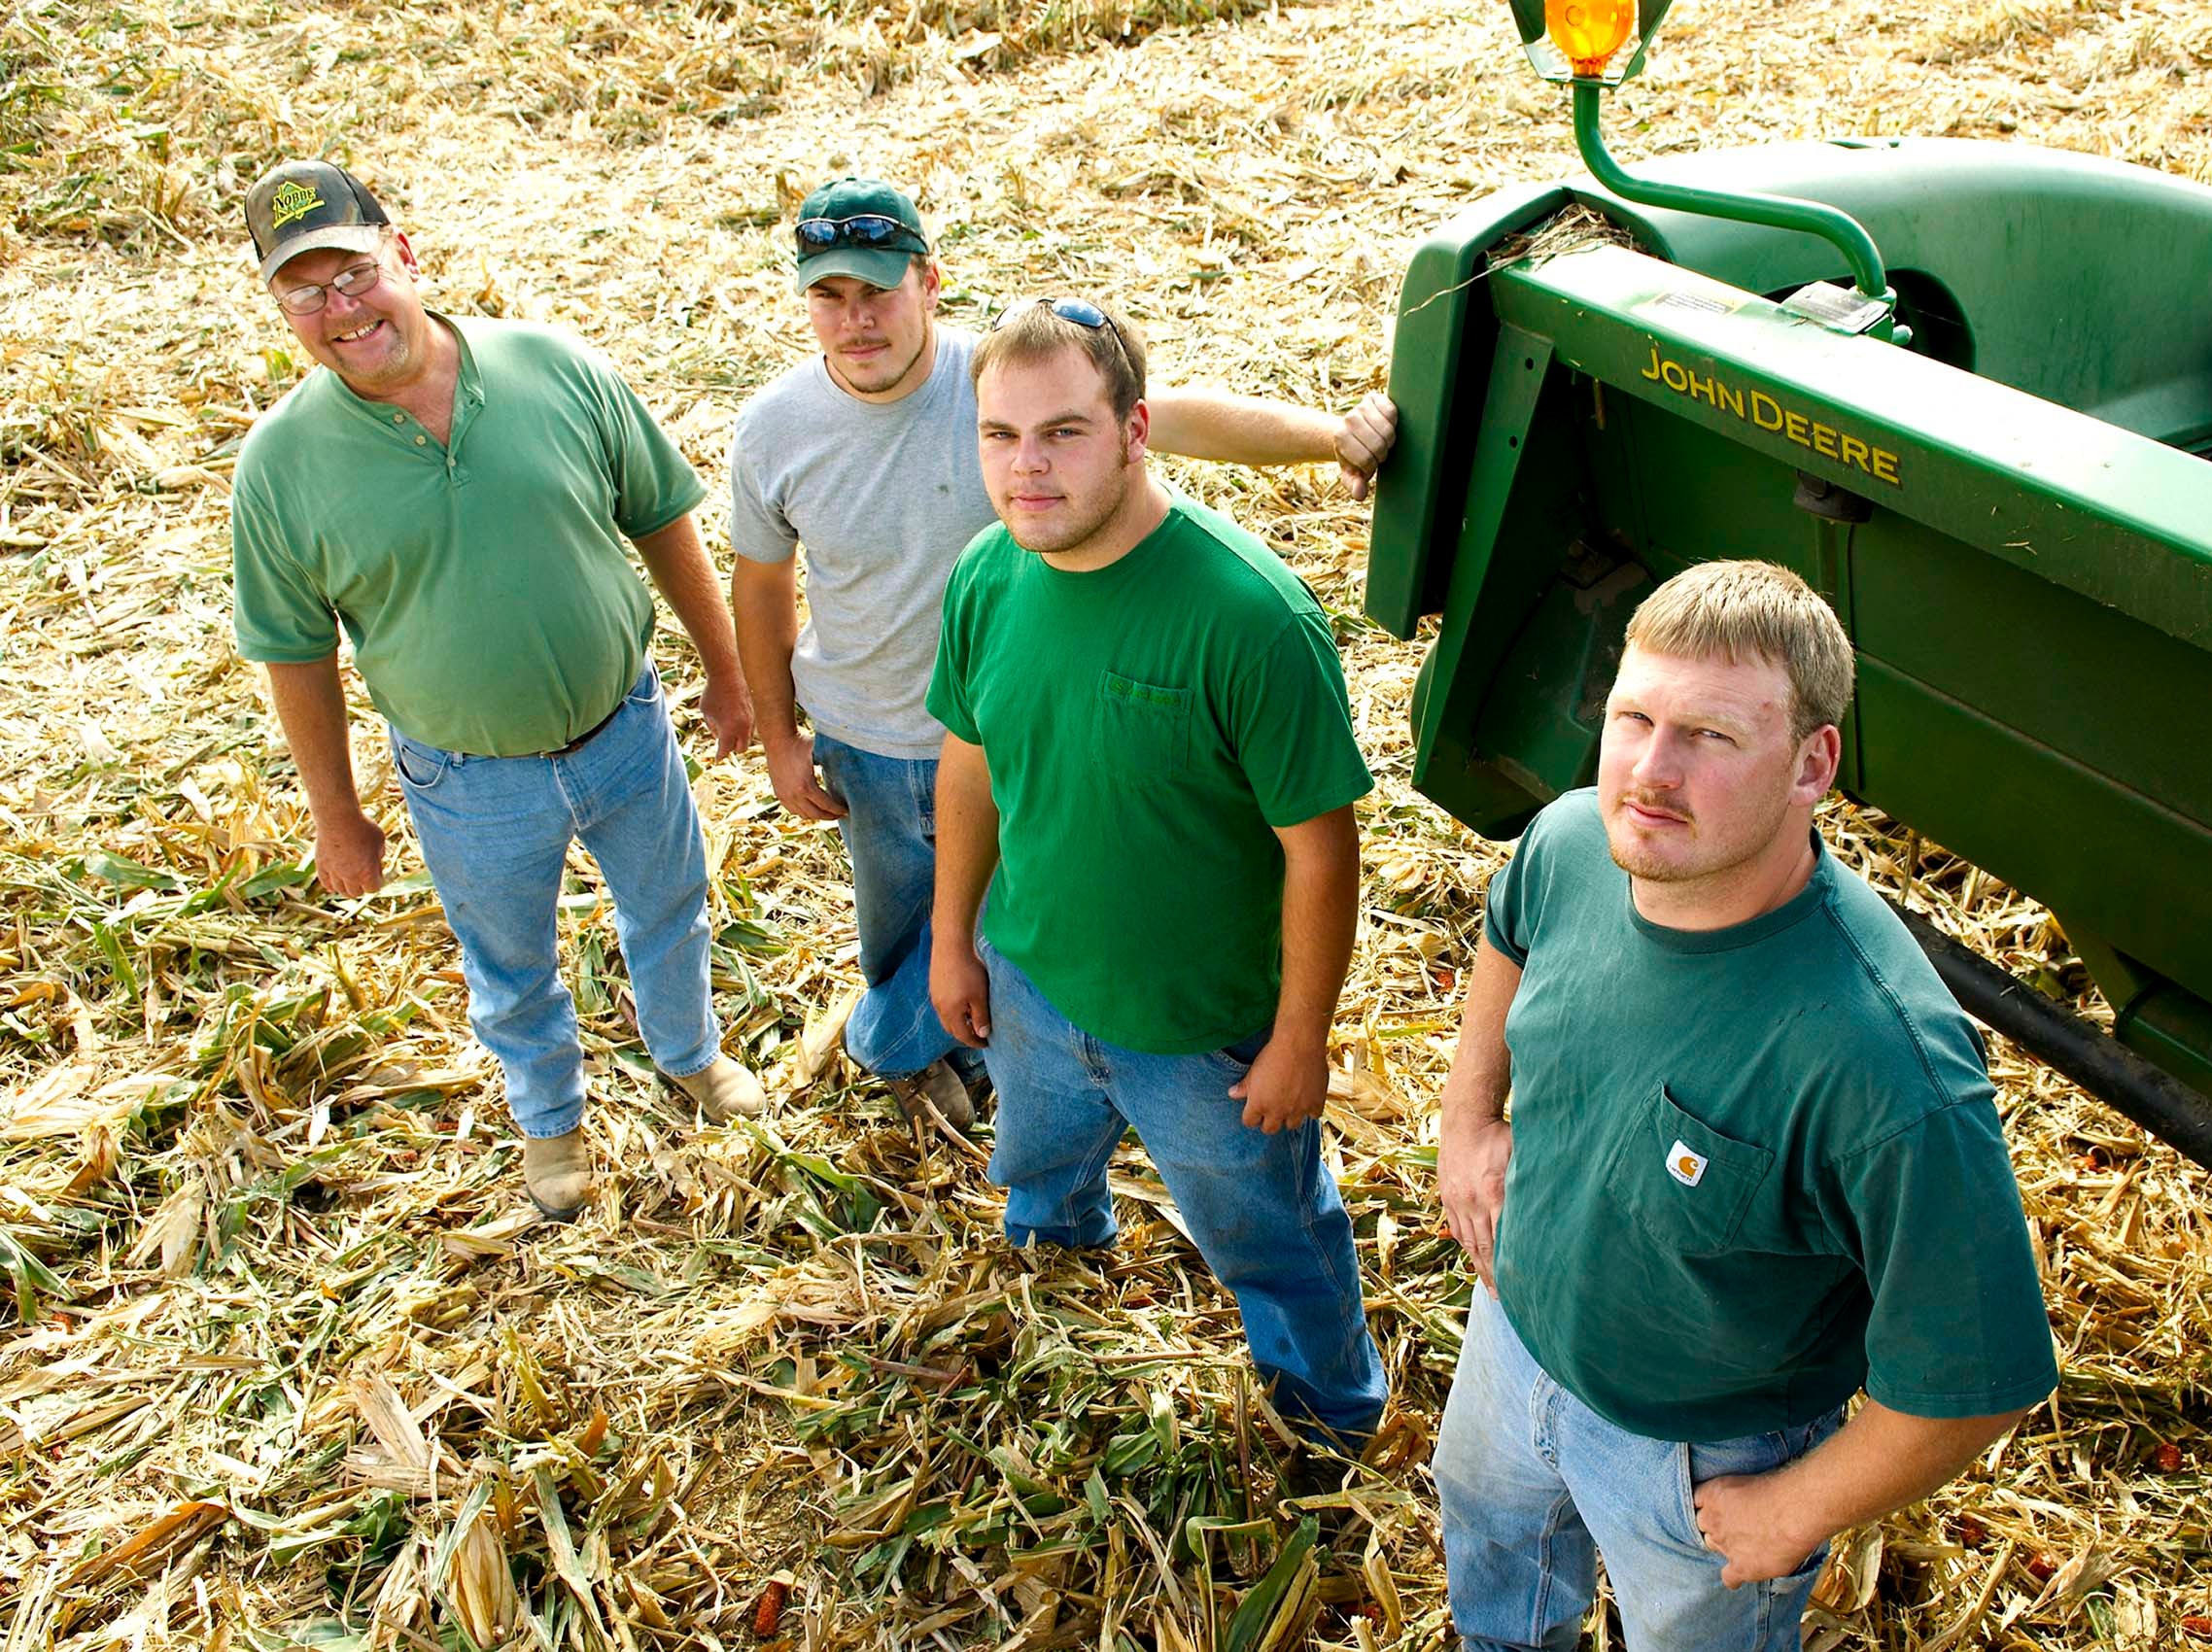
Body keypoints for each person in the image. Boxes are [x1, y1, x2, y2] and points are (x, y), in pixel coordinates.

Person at [1430, 561, 2058, 1649]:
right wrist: (1468, 1118)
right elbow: (1508, 929)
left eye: (1712, 736)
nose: (1650, 771)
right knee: (1489, 1538)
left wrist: (1794, 1508)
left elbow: (1975, 1378)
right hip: (1512, 1332)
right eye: (1633, 716)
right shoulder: (1575, 840)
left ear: (1812, 762)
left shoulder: (1883, 1066)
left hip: (1700, 1453)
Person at [729, 177, 1395, 1130]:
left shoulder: (1007, 383)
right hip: (867, 737)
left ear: (928, 281)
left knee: (1025, 925)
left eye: (878, 290)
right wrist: (778, 734)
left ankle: (1013, 1054)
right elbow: (759, 585)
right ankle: (921, 1044)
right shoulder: (775, 426)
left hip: (1025, 736)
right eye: (829, 295)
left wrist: (1332, 436)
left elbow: (1174, 419)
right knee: (899, 926)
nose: (857, 319)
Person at [228, 159, 766, 1222]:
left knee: (668, 904)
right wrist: (337, 814)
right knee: (510, 963)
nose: (340, 310)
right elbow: (295, 653)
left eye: (353, 272)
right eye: (305, 291)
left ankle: (691, 1054)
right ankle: (550, 1121)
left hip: (626, 729)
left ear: (405, 253)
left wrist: (728, 668)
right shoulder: (281, 466)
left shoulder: (549, 365)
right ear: (279, 306)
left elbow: (658, 513)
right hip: (467, 777)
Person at [920, 296, 1387, 1440]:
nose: (1027, 468)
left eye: (1064, 432)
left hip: (1205, 1036)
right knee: (1034, 1151)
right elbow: (969, 764)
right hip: (1031, 976)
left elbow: (1320, 847)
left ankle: (1328, 1404)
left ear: (1137, 429)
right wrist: (950, 938)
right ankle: (1060, 1241)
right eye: (999, 435)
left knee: (1267, 1234)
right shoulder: (988, 574)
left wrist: (1298, 1037)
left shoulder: (1249, 617)